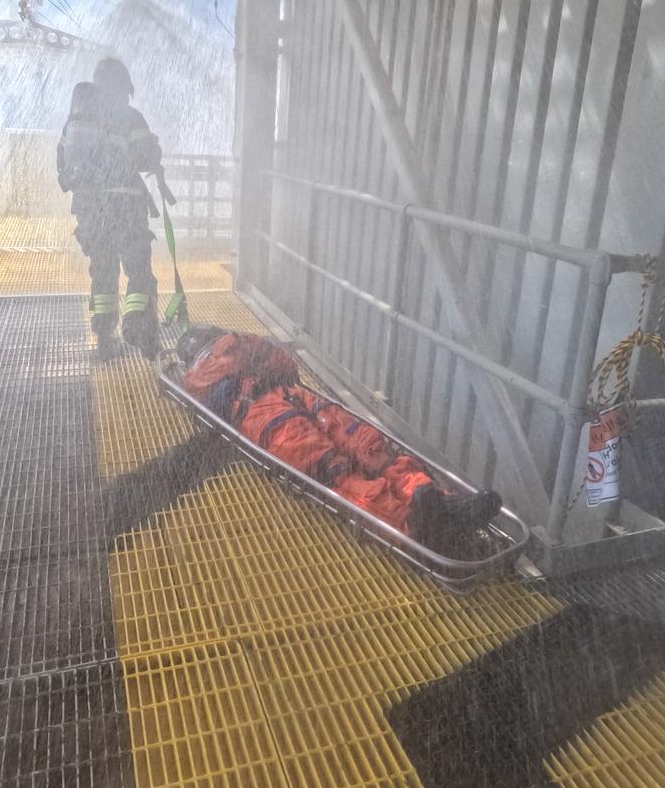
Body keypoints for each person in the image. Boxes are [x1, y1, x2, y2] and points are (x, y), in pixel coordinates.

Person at [176, 326, 502, 557]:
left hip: (270, 409)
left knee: (355, 454)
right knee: (349, 458)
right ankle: (416, 520)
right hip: (268, 407)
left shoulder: (197, 376)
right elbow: (284, 363)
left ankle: (432, 505)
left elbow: (206, 400)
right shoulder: (236, 350)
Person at [57, 59, 162, 359]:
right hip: (126, 208)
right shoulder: (128, 116)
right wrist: (154, 150)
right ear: (122, 86)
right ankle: (138, 328)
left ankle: (104, 338)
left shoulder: (76, 122)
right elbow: (146, 157)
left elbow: (63, 164)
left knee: (103, 272)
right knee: (139, 270)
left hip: (91, 212)